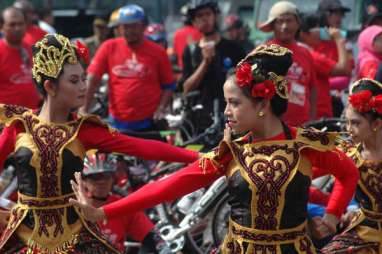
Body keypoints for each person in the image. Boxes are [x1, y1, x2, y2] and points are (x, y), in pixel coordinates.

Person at [70, 44, 359, 253]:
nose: (228, 112)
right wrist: (105, 212)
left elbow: (348, 172)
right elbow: (169, 185)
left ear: (262, 104)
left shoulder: (305, 146)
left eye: (234, 103)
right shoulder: (230, 153)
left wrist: (333, 215)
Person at [0, 33, 198, 253]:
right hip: (25, 237)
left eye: (84, 78)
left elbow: (141, 146)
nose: (84, 87)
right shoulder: (19, 126)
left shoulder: (84, 130)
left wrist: (199, 157)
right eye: (74, 81)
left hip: (73, 236)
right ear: (50, 86)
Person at [82, 4, 176, 134]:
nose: (129, 31)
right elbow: (93, 78)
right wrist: (84, 109)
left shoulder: (158, 52)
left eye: (133, 26)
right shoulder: (109, 47)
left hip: (149, 124)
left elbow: (169, 85)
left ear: (143, 26)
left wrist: (161, 108)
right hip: (117, 124)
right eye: (125, 26)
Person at [320, 78, 382, 253]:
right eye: (347, 122)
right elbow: (310, 168)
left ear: (376, 124)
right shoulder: (348, 151)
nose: (348, 129)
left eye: (355, 123)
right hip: (364, 231)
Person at [180, 0, 245, 134]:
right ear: (193, 21)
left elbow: (246, 84)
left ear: (215, 16)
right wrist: (205, 62)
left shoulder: (234, 48)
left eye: (208, 14)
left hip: (231, 116)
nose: (205, 19)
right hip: (199, 121)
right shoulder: (191, 51)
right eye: (199, 16)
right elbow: (186, 88)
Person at [81, 153, 166, 253]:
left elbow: (153, 239)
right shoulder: (72, 208)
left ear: (113, 178)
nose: (102, 182)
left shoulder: (123, 206)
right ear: (83, 181)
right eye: (95, 177)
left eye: (106, 175)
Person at [258, 1, 317, 126]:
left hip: (302, 125)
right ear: (273, 26)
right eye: (280, 22)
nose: (284, 26)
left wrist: (312, 120)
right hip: (271, 126)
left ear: (297, 23)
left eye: (289, 21)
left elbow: (312, 88)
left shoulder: (305, 53)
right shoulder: (263, 51)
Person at [298, 12, 351, 119]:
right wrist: (339, 39)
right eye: (317, 29)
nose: (321, 33)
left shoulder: (302, 52)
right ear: (303, 34)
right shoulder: (311, 56)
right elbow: (345, 69)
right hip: (318, 116)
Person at [0, 7, 40, 109]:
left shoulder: (32, 49)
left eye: (20, 24)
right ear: (2, 27)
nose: (17, 28)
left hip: (32, 118)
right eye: (12, 24)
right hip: (5, 121)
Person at [172, 4, 202, 69]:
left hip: (182, 69)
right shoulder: (200, 32)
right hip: (197, 69)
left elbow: (175, 54)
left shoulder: (177, 33)